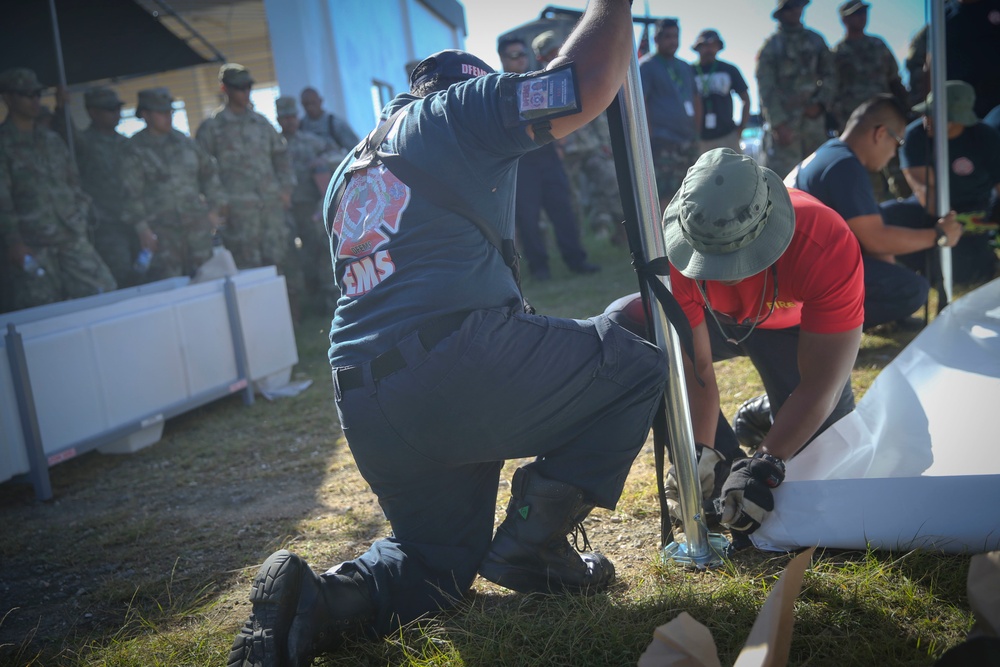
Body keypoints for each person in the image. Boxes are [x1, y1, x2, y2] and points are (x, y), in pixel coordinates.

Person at [227, 1, 669, 664]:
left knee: (432, 567)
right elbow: (583, 86)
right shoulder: (461, 109)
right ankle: (535, 545)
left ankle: (311, 600)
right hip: (455, 365)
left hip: (365, 397)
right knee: (634, 366)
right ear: (467, 81)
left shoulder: (351, 167)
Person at [610, 148, 864, 538]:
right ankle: (724, 466)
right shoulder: (670, 253)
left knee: (827, 455)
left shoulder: (824, 239)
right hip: (715, 321)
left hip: (792, 330)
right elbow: (697, 369)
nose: (728, 277)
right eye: (712, 262)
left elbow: (821, 384)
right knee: (632, 331)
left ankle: (767, 420)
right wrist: (696, 450)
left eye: (741, 259)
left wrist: (767, 461)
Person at [786, 95, 962, 330]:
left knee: (887, 214)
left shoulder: (832, 154)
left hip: (794, 267)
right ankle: (807, 328)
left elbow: (871, 235)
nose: (893, 154)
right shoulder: (844, 166)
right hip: (801, 279)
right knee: (910, 289)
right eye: (897, 142)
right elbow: (876, 239)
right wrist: (939, 234)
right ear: (880, 133)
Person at [0, 68, 116, 313]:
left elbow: (73, 182)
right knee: (42, 311)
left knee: (104, 291)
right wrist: (15, 242)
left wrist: (79, 215)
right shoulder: (4, 144)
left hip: (69, 235)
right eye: (26, 94)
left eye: (38, 93)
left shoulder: (51, 140)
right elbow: (2, 200)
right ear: (9, 98)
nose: (34, 100)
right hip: (32, 243)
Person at [504, 31, 601, 280]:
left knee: (563, 210)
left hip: (549, 156)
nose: (520, 59)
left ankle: (576, 261)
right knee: (529, 219)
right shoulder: (500, 87)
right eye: (514, 56)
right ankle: (539, 268)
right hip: (522, 161)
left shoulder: (541, 78)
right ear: (503, 59)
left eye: (523, 54)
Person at [890, 80, 1000, 285]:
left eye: (934, 115)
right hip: (934, 211)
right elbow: (925, 192)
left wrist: (990, 218)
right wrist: (949, 227)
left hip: (979, 209)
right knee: (887, 216)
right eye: (926, 112)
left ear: (958, 120)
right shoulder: (914, 137)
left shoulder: (986, 137)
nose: (926, 119)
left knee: (970, 274)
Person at [196, 64, 296, 276]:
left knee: (280, 264)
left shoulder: (261, 123)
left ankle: (289, 309)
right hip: (238, 212)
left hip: (270, 208)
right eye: (239, 87)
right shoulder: (212, 128)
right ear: (225, 89)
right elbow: (203, 170)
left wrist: (285, 189)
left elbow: (281, 156)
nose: (245, 92)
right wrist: (218, 201)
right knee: (247, 269)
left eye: (248, 86)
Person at [120, 88, 226, 281]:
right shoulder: (134, 150)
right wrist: (142, 229)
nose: (168, 117)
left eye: (170, 112)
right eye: (161, 113)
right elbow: (130, 193)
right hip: (162, 236)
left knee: (208, 281)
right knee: (171, 286)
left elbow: (209, 173)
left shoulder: (185, 142)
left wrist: (213, 209)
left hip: (196, 231)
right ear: (145, 115)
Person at [53, 85, 134, 286]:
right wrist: (62, 108)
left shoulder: (127, 143)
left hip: (134, 220)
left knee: (144, 272)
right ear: (93, 112)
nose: (116, 113)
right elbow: (66, 132)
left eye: (117, 108)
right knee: (120, 272)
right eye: (109, 109)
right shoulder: (83, 142)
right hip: (106, 224)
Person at [276, 95, 345, 311]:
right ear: (278, 119)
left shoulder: (311, 141)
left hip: (310, 207)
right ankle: (300, 303)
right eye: (284, 117)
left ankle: (327, 299)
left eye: (292, 116)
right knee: (291, 256)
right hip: (283, 209)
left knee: (319, 250)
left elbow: (339, 155)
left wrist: (323, 162)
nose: (289, 121)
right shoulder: (274, 145)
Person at [756, 0, 836, 179]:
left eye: (798, 5)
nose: (795, 11)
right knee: (782, 182)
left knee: (820, 176)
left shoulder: (815, 41)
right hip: (786, 127)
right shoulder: (772, 46)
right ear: (782, 13)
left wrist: (821, 104)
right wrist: (778, 123)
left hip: (814, 123)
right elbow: (765, 87)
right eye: (789, 7)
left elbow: (831, 74)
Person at [639, 18, 702, 209]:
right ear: (656, 38)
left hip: (688, 141)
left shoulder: (685, 66)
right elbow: (642, 104)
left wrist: (696, 134)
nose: (673, 41)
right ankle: (662, 236)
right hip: (663, 141)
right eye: (667, 37)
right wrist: (649, 139)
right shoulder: (646, 66)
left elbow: (696, 99)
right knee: (664, 194)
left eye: (675, 36)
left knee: (691, 192)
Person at [829, 1, 908, 132]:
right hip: (851, 121)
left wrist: (905, 108)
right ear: (844, 19)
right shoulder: (837, 53)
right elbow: (831, 90)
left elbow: (894, 79)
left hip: (882, 117)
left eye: (864, 12)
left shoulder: (878, 45)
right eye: (856, 14)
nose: (862, 17)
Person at [691, 29, 750, 156]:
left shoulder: (729, 69)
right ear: (698, 48)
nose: (709, 49)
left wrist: (740, 129)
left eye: (713, 45)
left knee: (734, 173)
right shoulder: (689, 72)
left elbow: (745, 99)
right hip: (699, 139)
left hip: (727, 135)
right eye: (706, 45)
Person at [299, 86, 360, 153]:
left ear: (320, 101)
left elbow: (355, 149)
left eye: (313, 103)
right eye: (306, 104)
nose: (310, 107)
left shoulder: (336, 124)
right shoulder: (300, 127)